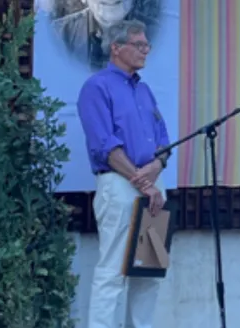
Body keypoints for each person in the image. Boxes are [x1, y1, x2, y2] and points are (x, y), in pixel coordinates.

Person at [76, 19, 169, 328]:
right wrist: (142, 180)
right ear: (116, 48)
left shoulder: (144, 90)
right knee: (113, 271)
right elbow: (105, 145)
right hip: (119, 186)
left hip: (153, 187)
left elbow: (164, 140)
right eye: (139, 45)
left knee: (149, 272)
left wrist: (156, 167)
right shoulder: (97, 86)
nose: (145, 51)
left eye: (147, 45)